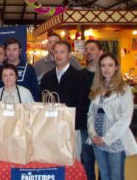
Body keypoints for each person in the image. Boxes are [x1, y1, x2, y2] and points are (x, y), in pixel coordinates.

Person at [87, 52, 137, 180]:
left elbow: (125, 118)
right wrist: (93, 134)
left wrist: (107, 138)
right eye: (103, 65)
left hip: (115, 140)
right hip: (97, 140)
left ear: (116, 67)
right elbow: (91, 115)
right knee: (104, 175)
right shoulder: (97, 88)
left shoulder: (124, 89)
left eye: (110, 65)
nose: (106, 69)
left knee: (116, 176)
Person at [39, 41, 87, 161]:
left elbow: (82, 105)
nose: (58, 55)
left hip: (71, 129)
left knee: (72, 163)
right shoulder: (47, 77)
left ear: (69, 55)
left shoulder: (79, 77)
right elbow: (41, 102)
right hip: (50, 129)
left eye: (62, 52)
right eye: (56, 52)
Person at [81, 40, 104, 180]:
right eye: (87, 49)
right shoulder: (79, 75)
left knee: (103, 163)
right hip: (84, 126)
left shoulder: (107, 75)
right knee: (86, 162)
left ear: (100, 52)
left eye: (92, 49)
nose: (89, 52)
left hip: (103, 127)